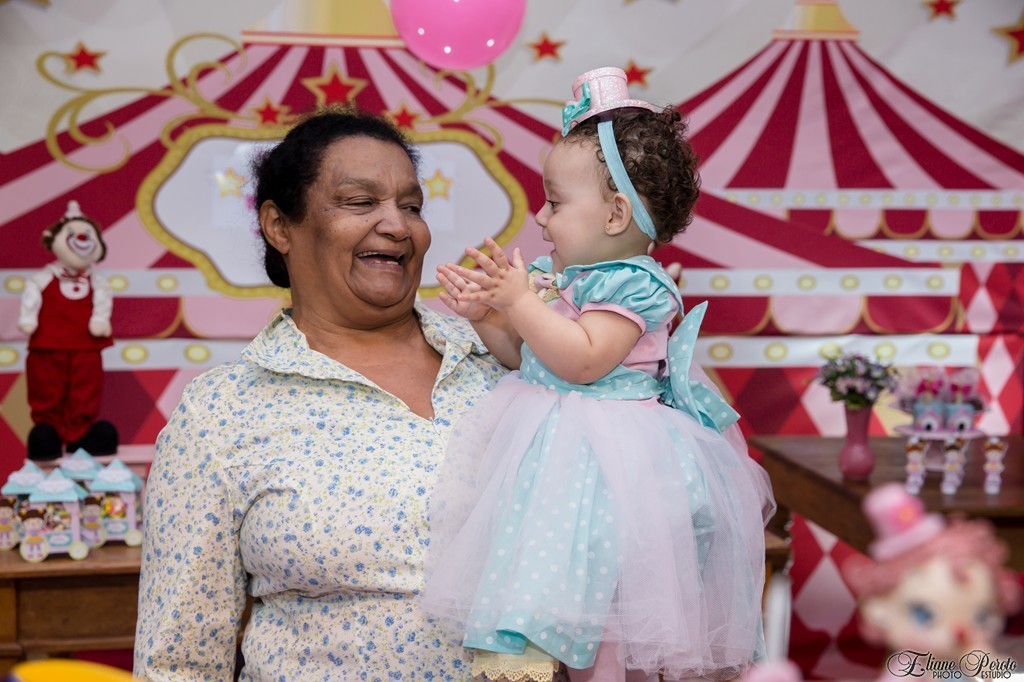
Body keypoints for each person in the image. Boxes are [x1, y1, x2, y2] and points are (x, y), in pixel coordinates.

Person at [421, 68, 775, 682]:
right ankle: (530, 654)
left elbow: (584, 358)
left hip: (612, 461)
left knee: (599, 583)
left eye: (555, 202)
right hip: (557, 448)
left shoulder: (636, 284)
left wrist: (521, 302)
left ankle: (587, 664)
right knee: (543, 557)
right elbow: (528, 356)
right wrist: (489, 316)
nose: (539, 215)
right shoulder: (570, 278)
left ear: (615, 214)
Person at [133, 108, 508, 680]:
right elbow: (178, 659)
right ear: (281, 226)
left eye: (412, 206)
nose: (398, 226)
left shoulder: (502, 363)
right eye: (360, 203)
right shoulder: (223, 411)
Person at [841, 483, 1021, 681]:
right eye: (925, 615)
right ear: (881, 611)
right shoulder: (909, 665)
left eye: (982, 615)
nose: (959, 632)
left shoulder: (973, 655)